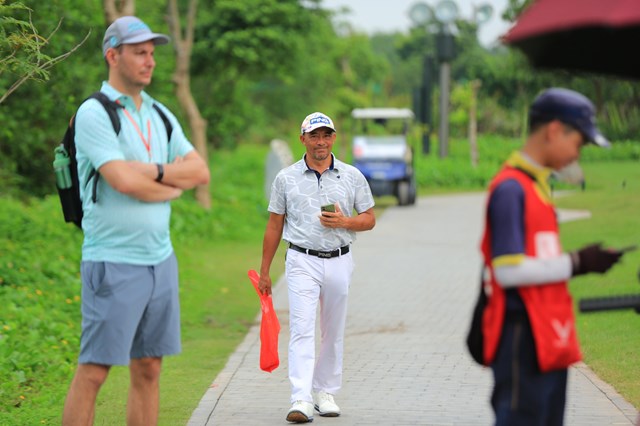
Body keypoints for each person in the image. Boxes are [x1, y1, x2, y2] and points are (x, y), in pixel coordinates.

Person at [62, 16, 209, 425]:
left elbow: (199, 172)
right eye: (139, 52)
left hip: (160, 260)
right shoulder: (94, 112)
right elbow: (122, 180)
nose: (150, 61)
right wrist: (168, 179)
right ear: (113, 55)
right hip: (112, 262)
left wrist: (154, 173)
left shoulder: (159, 114)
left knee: (149, 368)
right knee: (94, 371)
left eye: (152, 53)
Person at [480, 87, 626, 425]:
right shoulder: (510, 189)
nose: (578, 154)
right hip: (521, 336)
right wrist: (578, 263)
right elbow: (507, 271)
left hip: (548, 334)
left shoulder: (538, 186)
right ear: (554, 130)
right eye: (579, 143)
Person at [258, 112, 376, 423]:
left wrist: (345, 221)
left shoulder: (352, 176)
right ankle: (301, 398)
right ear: (303, 140)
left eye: (326, 135)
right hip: (301, 260)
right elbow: (273, 226)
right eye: (314, 135)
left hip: (339, 258)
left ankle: (325, 392)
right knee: (301, 328)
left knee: (333, 329)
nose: (320, 141)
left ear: (334, 138)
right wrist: (265, 270)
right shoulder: (286, 178)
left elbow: (369, 218)